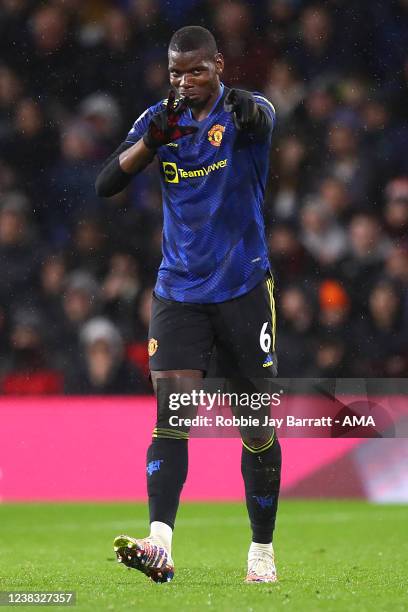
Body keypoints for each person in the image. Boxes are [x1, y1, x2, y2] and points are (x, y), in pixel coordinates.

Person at [96, 26, 281, 584]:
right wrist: (152, 141)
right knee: (173, 415)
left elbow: (261, 116)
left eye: (196, 70)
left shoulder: (248, 111)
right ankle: (159, 544)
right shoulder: (160, 121)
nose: (184, 81)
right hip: (179, 290)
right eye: (176, 72)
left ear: (219, 65)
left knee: (255, 427)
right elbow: (107, 182)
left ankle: (262, 551)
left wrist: (245, 107)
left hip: (244, 289)